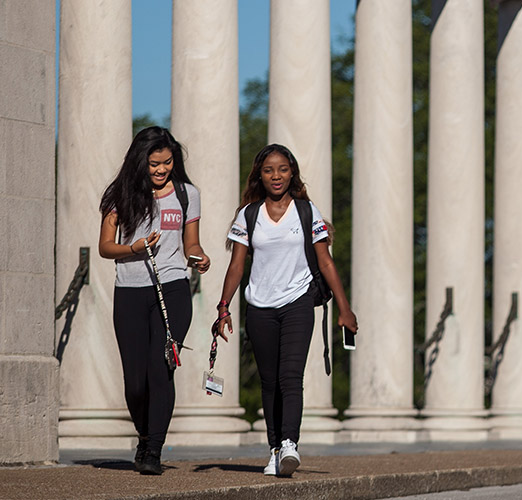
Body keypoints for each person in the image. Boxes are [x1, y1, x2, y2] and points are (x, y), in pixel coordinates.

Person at [215, 144, 357, 478]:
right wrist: (223, 307)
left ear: (292, 173)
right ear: (260, 176)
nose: (276, 176)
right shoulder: (249, 215)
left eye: (282, 169)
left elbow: (325, 261)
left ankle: (290, 443)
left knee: (291, 377)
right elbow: (236, 266)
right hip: (260, 307)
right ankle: (275, 449)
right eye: (268, 170)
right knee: (269, 382)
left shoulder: (306, 211)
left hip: (298, 302)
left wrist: (345, 308)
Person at [97, 126, 211, 474]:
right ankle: (144, 435)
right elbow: (105, 247)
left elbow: (191, 243)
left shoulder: (187, 194)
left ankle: (154, 450)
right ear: (140, 161)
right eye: (154, 163)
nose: (162, 169)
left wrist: (198, 256)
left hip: (173, 288)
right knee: (135, 381)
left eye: (167, 162)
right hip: (130, 291)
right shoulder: (120, 193)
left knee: (160, 368)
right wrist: (134, 248)